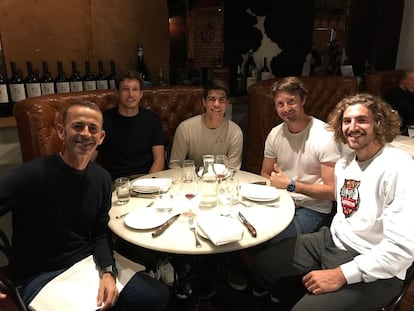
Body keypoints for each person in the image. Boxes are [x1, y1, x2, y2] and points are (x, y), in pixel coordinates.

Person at [0, 101, 169, 310]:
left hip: (88, 262)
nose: (86, 134)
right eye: (78, 126)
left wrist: (108, 271)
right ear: (62, 132)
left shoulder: (102, 178)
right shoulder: (32, 174)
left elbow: (100, 233)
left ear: (101, 137)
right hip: (39, 276)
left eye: (93, 129)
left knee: (157, 295)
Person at [251, 93, 414, 310]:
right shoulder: (345, 163)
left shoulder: (398, 167)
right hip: (331, 241)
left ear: (379, 122)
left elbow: (401, 250)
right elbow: (343, 202)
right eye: (347, 121)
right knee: (262, 265)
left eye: (362, 120)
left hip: (376, 267)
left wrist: (342, 274)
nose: (353, 127)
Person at [261, 76, 340, 244]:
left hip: (313, 208)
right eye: (280, 104)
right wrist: (283, 197)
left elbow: (333, 192)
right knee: (252, 229)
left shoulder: (325, 136)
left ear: (303, 100)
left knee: (275, 240)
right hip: (282, 202)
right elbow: (265, 173)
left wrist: (292, 186)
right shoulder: (275, 133)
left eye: (291, 101)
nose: (286, 108)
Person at [93, 70, 165, 181]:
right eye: (125, 89)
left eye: (135, 89)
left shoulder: (152, 120)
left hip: (147, 180)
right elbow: (89, 159)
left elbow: (159, 160)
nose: (131, 94)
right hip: (115, 183)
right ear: (118, 93)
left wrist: (147, 183)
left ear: (141, 94)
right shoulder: (103, 121)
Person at [168, 79, 243, 170]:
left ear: (227, 103)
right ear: (204, 102)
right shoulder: (185, 128)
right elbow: (175, 165)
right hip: (191, 181)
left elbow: (233, 169)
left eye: (221, 100)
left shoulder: (235, 132)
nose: (216, 104)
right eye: (212, 99)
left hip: (222, 181)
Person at [385, 69, 414, 136]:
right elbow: (410, 112)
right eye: (413, 81)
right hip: (402, 130)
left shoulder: (408, 93)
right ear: (404, 81)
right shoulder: (395, 94)